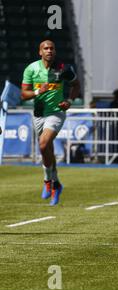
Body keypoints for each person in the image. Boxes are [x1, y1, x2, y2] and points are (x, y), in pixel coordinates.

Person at [21, 40, 80, 205]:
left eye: (52, 48)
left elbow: (76, 85)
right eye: (46, 48)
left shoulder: (63, 68)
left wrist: (69, 100)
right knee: (47, 150)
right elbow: (23, 94)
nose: (49, 51)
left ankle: (47, 181)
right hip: (38, 115)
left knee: (43, 144)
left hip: (56, 113)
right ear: (40, 52)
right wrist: (38, 91)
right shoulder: (31, 69)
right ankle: (57, 184)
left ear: (55, 51)